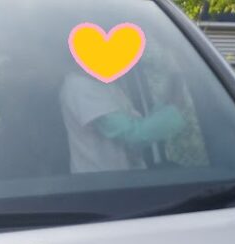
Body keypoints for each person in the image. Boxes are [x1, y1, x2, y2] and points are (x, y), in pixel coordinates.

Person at [59, 65, 187, 174]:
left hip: (122, 182)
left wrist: (167, 101)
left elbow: (138, 125)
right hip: (102, 187)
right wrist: (174, 111)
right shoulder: (81, 86)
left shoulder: (104, 84)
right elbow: (132, 135)